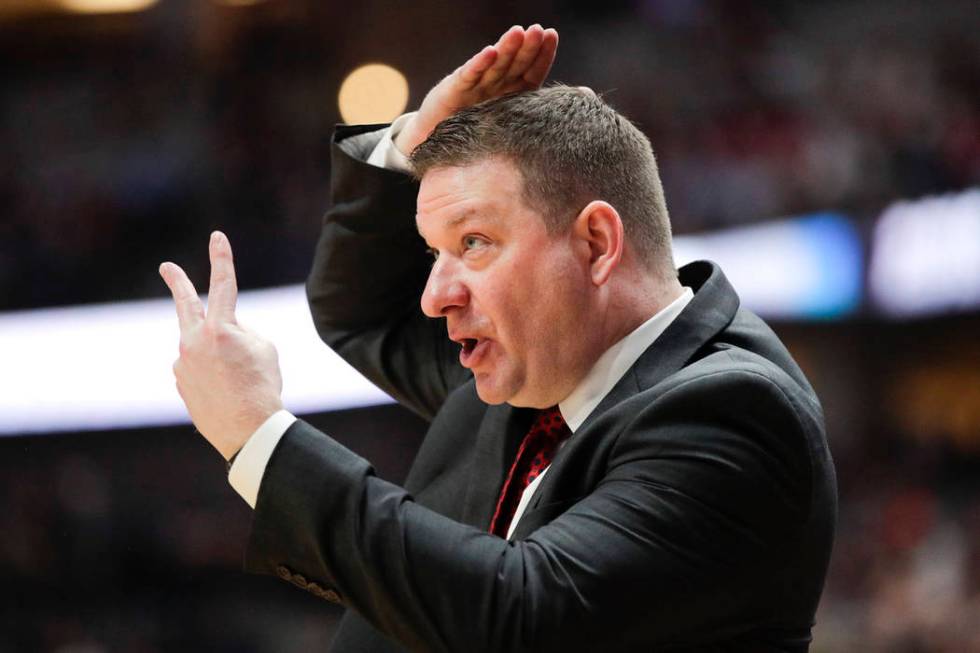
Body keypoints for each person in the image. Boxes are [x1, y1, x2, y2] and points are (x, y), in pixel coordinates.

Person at [160, 25, 837, 652]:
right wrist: (412, 143)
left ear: (597, 244)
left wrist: (260, 438)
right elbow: (360, 312)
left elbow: (521, 614)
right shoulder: (540, 364)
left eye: (474, 243)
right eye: (433, 253)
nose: (436, 294)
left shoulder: (735, 412)